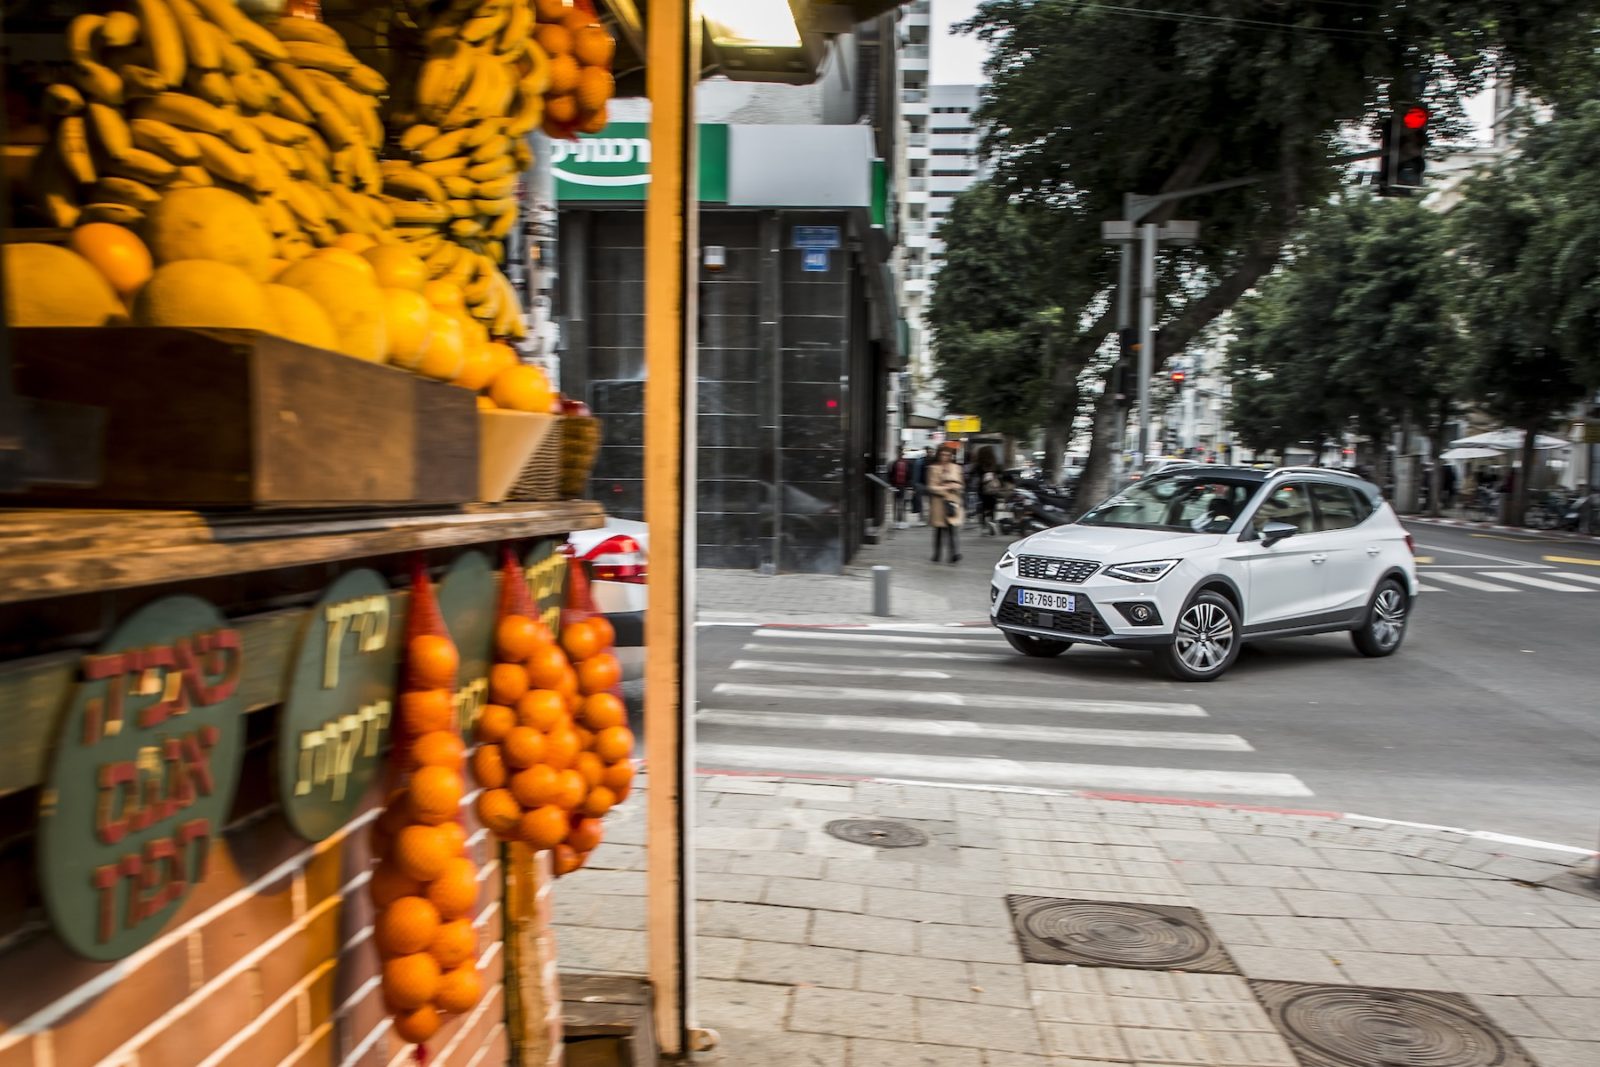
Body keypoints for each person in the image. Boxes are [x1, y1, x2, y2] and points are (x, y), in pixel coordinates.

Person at [928, 443, 966, 563]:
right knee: (939, 530)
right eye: (943, 454)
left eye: (947, 455)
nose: (945, 457)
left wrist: (955, 486)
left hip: (952, 501)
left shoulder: (956, 468)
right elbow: (931, 486)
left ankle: (954, 553)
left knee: (952, 529)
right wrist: (944, 489)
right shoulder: (933, 468)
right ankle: (937, 554)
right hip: (938, 503)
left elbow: (961, 485)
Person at [975, 446, 1001, 535]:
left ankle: (983, 526)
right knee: (992, 507)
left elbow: (975, 473)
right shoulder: (995, 464)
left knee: (982, 507)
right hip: (993, 489)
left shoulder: (979, 465)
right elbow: (1001, 473)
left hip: (982, 489)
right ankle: (992, 522)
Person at [888, 451, 913, 529]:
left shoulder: (904, 463)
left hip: (902, 486)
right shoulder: (896, 463)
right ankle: (897, 521)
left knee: (901, 503)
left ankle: (900, 520)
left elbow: (909, 475)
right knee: (898, 503)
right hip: (898, 485)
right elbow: (891, 474)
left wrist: (909, 486)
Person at [910, 446, 933, 525]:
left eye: (931, 452)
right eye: (928, 451)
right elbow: (916, 474)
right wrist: (915, 485)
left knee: (930, 503)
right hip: (922, 484)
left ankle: (929, 519)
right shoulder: (920, 461)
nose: (930, 453)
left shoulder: (933, 461)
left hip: (931, 484)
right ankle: (922, 519)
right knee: (921, 503)